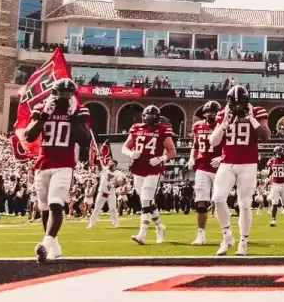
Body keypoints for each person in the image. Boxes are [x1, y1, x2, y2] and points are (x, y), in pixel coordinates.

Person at [17, 78, 91, 263]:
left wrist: (73, 118)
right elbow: (30, 135)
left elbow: (84, 139)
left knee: (55, 203)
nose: (64, 98)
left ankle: (46, 242)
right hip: (43, 162)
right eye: (61, 94)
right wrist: (43, 116)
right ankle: (54, 247)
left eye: (68, 95)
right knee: (43, 207)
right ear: (54, 93)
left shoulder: (79, 110)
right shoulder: (42, 107)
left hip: (65, 163)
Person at [209, 85, 270, 255]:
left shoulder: (257, 111)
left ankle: (243, 242)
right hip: (227, 162)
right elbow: (213, 142)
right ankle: (227, 235)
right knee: (218, 198)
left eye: (240, 103)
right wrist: (224, 123)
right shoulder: (223, 114)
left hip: (248, 163)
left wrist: (251, 118)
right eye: (234, 103)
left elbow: (265, 135)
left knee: (244, 204)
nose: (237, 106)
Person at [122, 105, 176, 246]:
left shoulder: (163, 130)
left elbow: (172, 152)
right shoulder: (136, 128)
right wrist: (129, 153)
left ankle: (142, 234)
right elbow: (125, 147)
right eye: (148, 114)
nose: (150, 118)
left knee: (146, 200)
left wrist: (160, 158)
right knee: (147, 202)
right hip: (138, 168)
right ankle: (159, 226)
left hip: (154, 170)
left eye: (153, 115)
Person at [188, 101, 222, 246]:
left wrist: (222, 157)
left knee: (221, 202)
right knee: (201, 202)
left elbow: (230, 146)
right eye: (208, 111)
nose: (210, 114)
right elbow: (195, 145)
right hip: (202, 166)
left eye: (213, 112)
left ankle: (226, 234)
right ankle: (200, 235)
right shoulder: (198, 126)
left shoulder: (223, 126)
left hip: (220, 168)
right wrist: (191, 158)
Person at [87, 158, 121, 229]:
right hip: (102, 192)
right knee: (97, 208)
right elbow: (99, 166)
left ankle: (116, 223)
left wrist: (114, 184)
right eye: (109, 162)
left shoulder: (118, 173)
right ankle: (91, 223)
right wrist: (99, 158)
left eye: (111, 162)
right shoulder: (105, 169)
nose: (109, 163)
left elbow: (120, 182)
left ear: (115, 165)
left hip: (111, 193)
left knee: (113, 209)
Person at [266, 146, 284, 226]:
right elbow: (270, 171)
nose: (278, 154)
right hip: (275, 184)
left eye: (280, 152)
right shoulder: (271, 160)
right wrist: (267, 177)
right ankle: (273, 220)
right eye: (277, 152)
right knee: (275, 202)